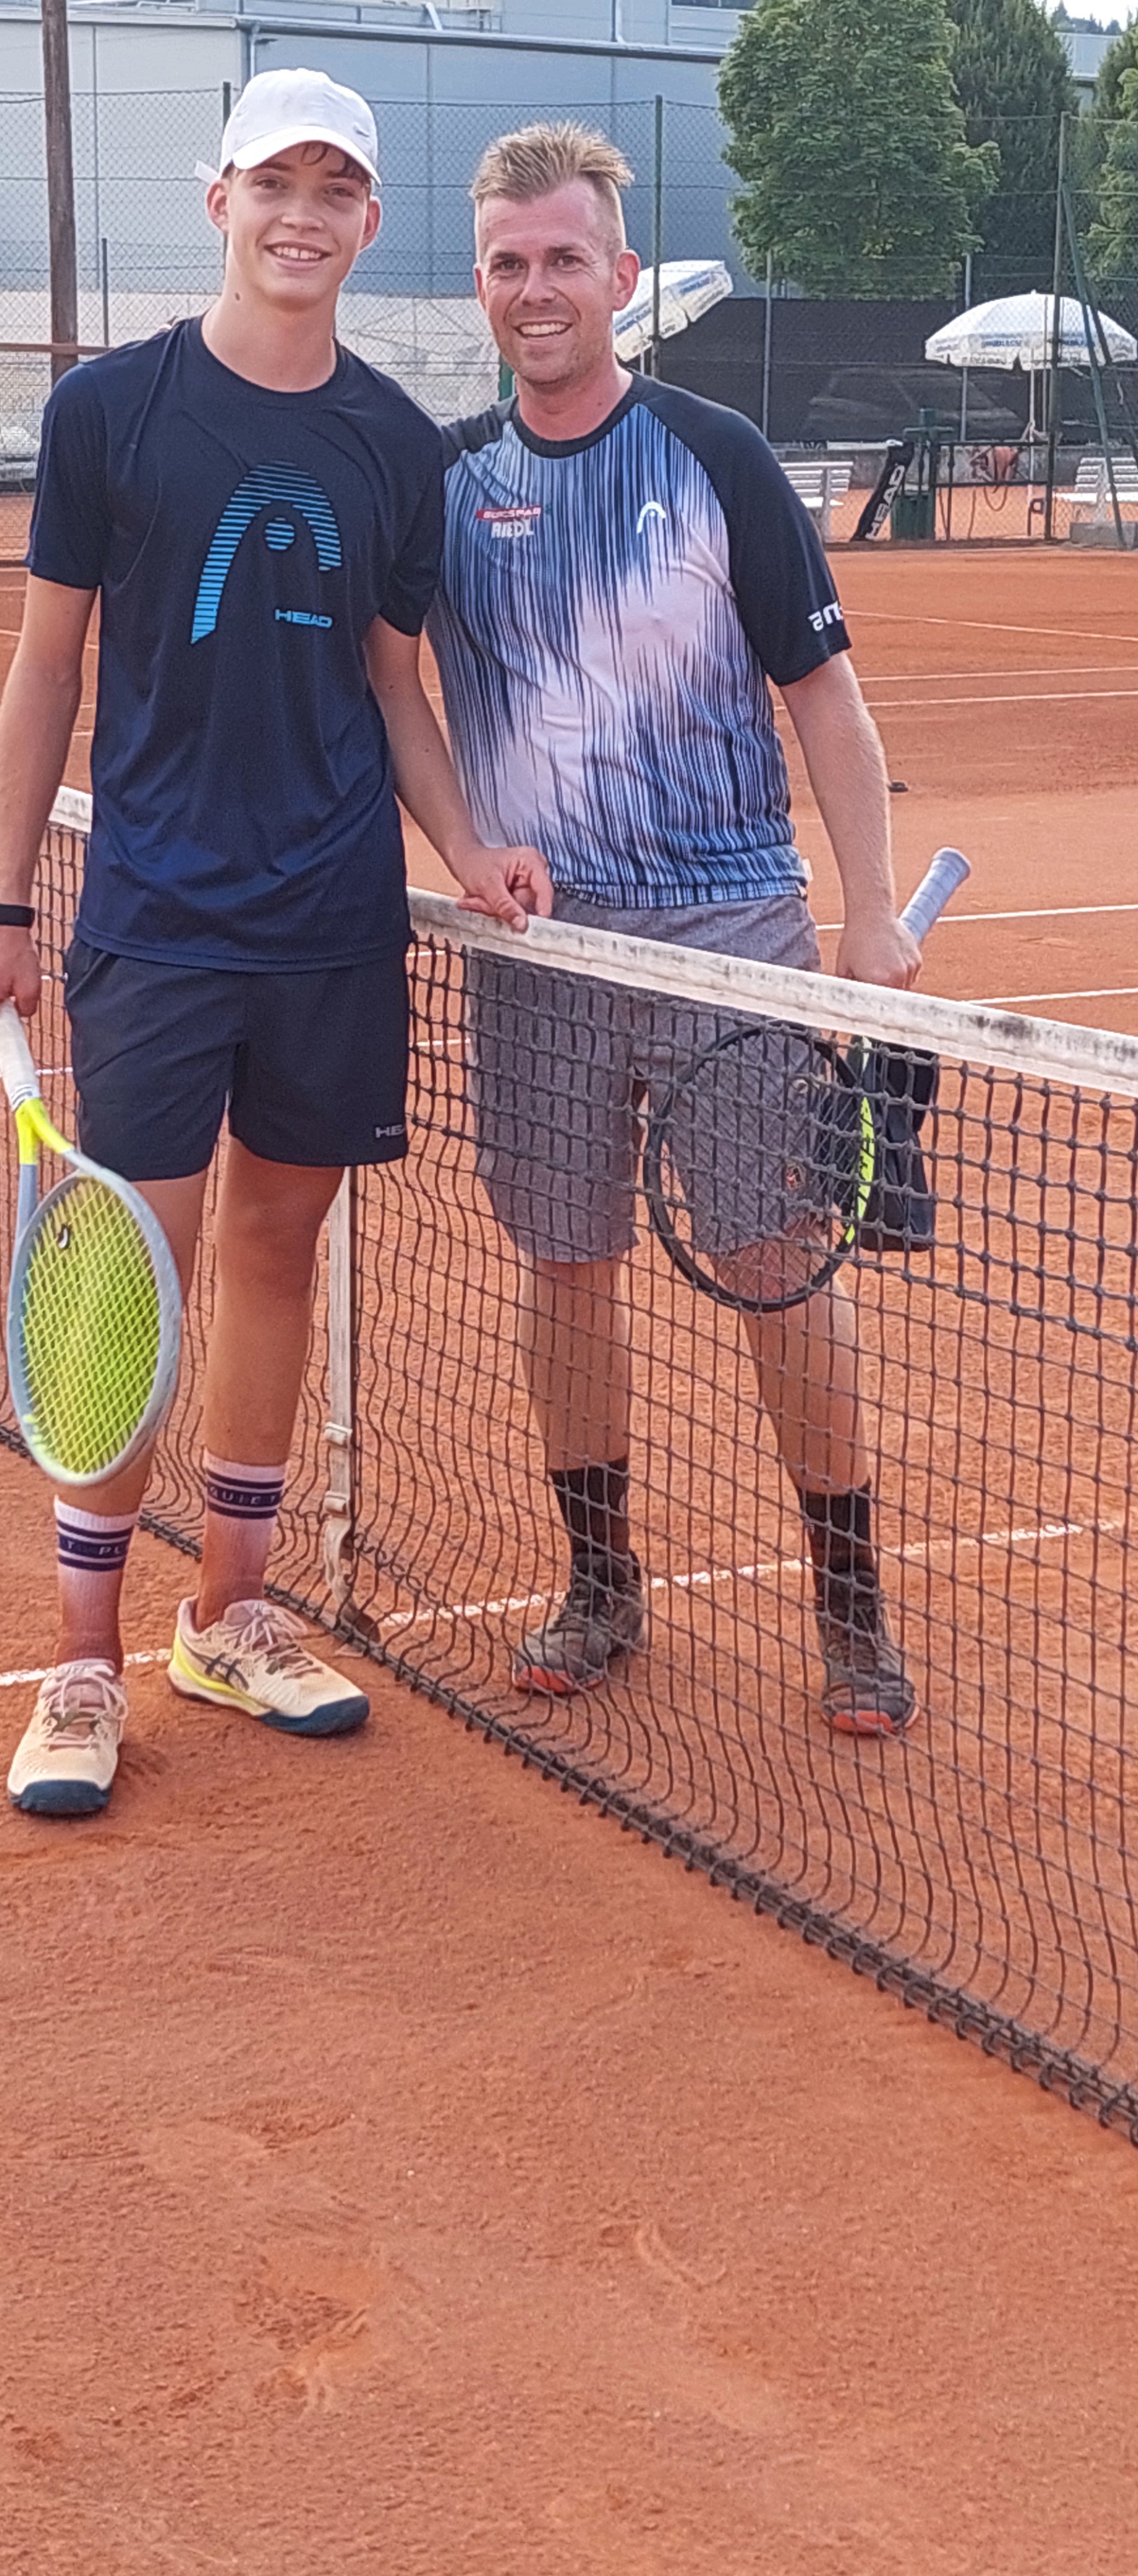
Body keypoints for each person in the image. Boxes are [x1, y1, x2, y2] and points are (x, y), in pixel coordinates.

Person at [0, 67, 549, 1817]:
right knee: (131, 1275)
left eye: (334, 187)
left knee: (279, 1248)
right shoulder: (108, 413)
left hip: (331, 925)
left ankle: (227, 1615)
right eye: (273, 182)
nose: (303, 213)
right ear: (219, 200)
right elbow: (47, 667)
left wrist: (467, 847)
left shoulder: (398, 448)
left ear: (370, 221)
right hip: (157, 920)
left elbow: (395, 685)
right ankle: (83, 1656)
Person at [430, 120, 921, 1735]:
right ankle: (601, 1583)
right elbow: (376, 688)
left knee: (776, 1266)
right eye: (508, 262)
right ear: (481, 281)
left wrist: (871, 917)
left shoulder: (718, 457)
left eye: (565, 259)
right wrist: (457, 849)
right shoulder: (446, 485)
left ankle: (850, 1609)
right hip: (542, 949)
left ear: (622, 276)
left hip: (732, 934)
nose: (537, 288)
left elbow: (826, 700)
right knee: (564, 1264)